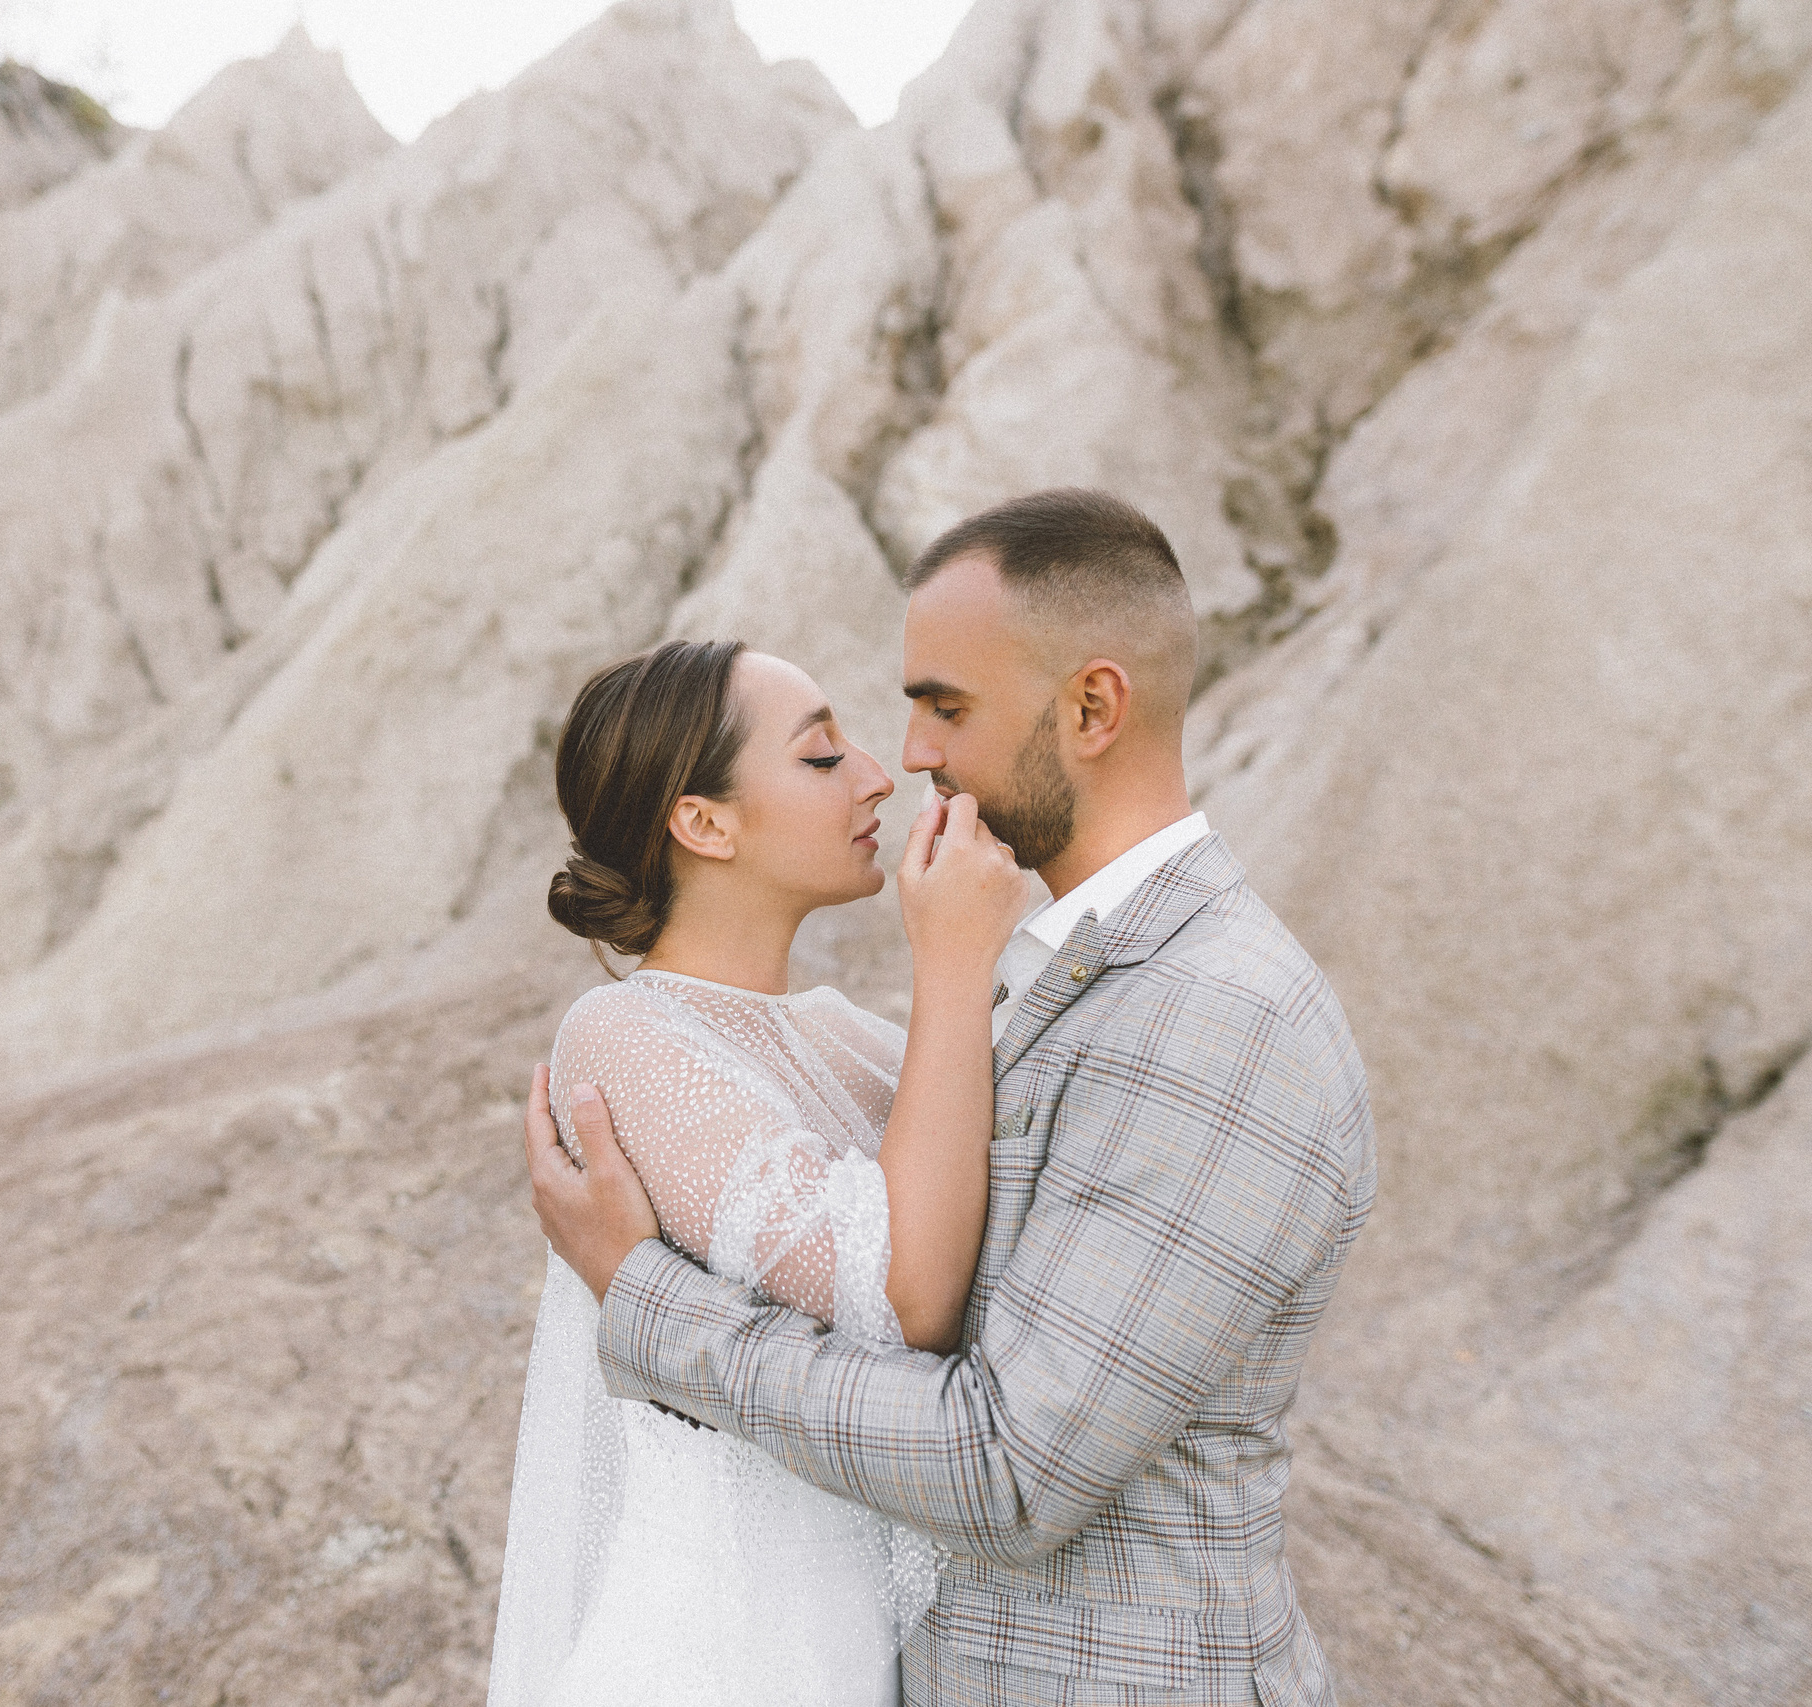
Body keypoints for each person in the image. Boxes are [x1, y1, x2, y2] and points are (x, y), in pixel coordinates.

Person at [523, 489, 1378, 1707]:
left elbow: (1008, 1471)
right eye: (848, 738)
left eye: (945, 709)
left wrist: (650, 1305)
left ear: (1091, 707)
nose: (908, 759)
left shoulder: (1214, 1018)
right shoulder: (1072, 978)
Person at [487, 636, 1035, 1706]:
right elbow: (901, 1294)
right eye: (823, 757)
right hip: (713, 1660)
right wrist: (956, 960)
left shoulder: (845, 1039)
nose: (879, 775)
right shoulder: (623, 1034)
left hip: (843, 1657)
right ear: (703, 823)